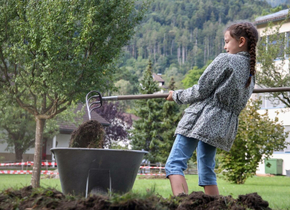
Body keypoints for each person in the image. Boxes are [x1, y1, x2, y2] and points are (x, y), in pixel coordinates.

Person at [165, 22, 259, 196]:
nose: (224, 47)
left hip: (201, 119)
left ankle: (183, 206)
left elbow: (200, 90)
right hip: (222, 125)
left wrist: (176, 95)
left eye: (227, 41)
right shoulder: (251, 70)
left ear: (241, 42)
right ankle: (215, 207)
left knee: (174, 164)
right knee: (207, 170)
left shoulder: (226, 60)